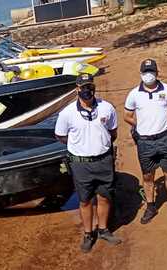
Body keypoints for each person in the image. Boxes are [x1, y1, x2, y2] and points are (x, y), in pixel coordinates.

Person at [55, 73, 122, 253]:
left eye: (90, 87)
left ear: (94, 87)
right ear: (77, 89)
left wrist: (100, 144)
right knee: (85, 200)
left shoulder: (107, 108)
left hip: (103, 161)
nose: (87, 91)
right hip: (81, 164)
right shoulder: (67, 113)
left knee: (104, 196)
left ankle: (103, 229)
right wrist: (81, 145)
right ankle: (88, 233)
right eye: (83, 87)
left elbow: (113, 132)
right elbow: (61, 135)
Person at [124, 59, 167, 224]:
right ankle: (151, 206)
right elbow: (127, 115)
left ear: (157, 72)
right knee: (148, 176)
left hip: (165, 139)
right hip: (145, 142)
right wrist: (140, 125)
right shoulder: (134, 94)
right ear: (141, 74)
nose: (149, 75)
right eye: (146, 72)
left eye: (152, 71)